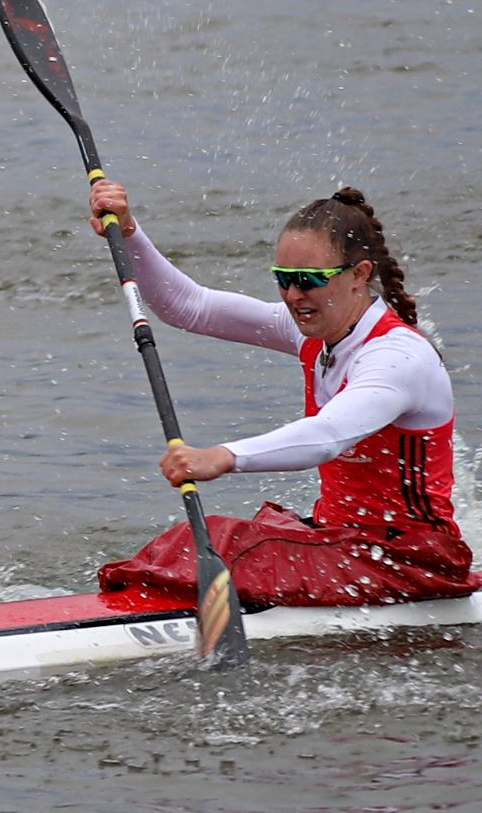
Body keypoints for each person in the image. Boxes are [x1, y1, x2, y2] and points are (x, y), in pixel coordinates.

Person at [88, 180, 466, 609]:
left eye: (308, 280)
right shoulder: (317, 330)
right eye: (283, 279)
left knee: (216, 539)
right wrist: (132, 234)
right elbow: (190, 306)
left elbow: (329, 435)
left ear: (360, 275)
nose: (292, 296)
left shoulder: (398, 358)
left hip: (408, 562)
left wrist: (223, 456)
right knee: (202, 542)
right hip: (339, 543)